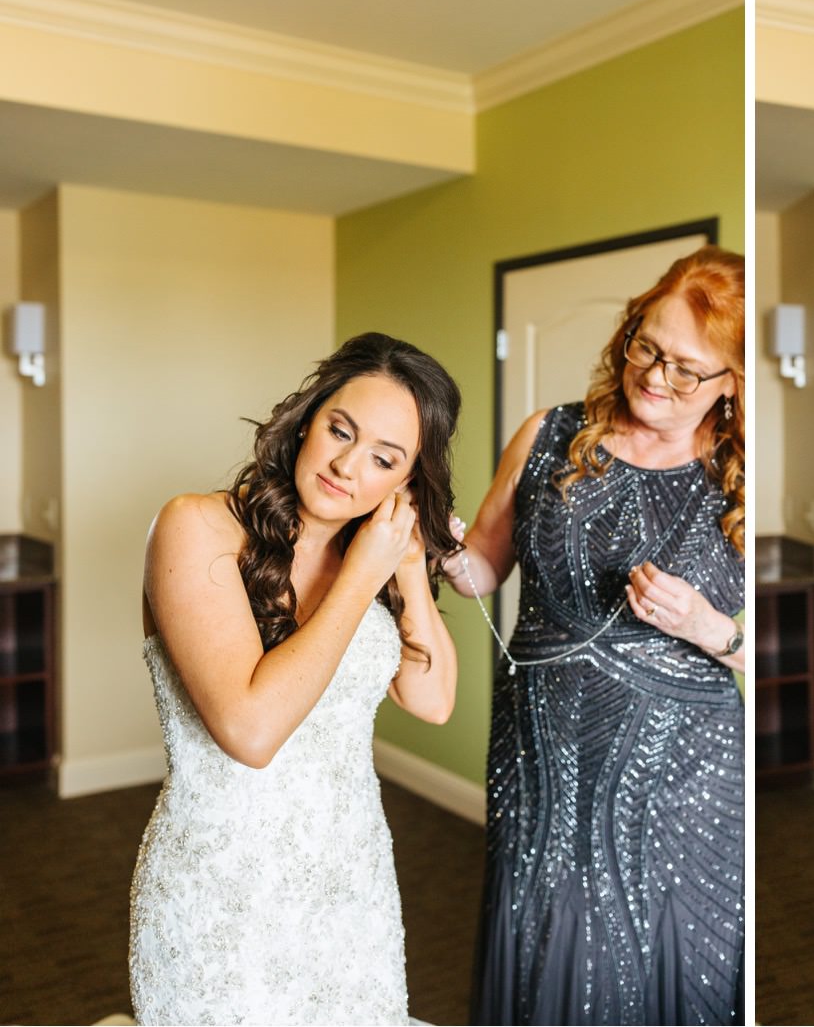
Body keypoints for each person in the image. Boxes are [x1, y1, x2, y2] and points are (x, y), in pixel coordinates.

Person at [447, 246, 745, 1025]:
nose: (655, 375)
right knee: (547, 927)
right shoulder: (550, 432)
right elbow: (483, 564)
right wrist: (437, 545)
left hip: (686, 766)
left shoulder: (745, 477)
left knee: (672, 941)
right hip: (542, 743)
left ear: (732, 384)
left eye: (688, 368)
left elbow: (760, 647)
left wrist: (708, 626)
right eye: (647, 345)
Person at [128, 333, 462, 1025]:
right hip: (223, 890)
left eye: (384, 458)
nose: (347, 464)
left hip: (350, 879)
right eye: (341, 429)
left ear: (404, 480)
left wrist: (404, 570)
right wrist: (364, 573)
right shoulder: (196, 527)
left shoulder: (369, 556)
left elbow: (431, 701)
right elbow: (250, 730)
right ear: (309, 417)